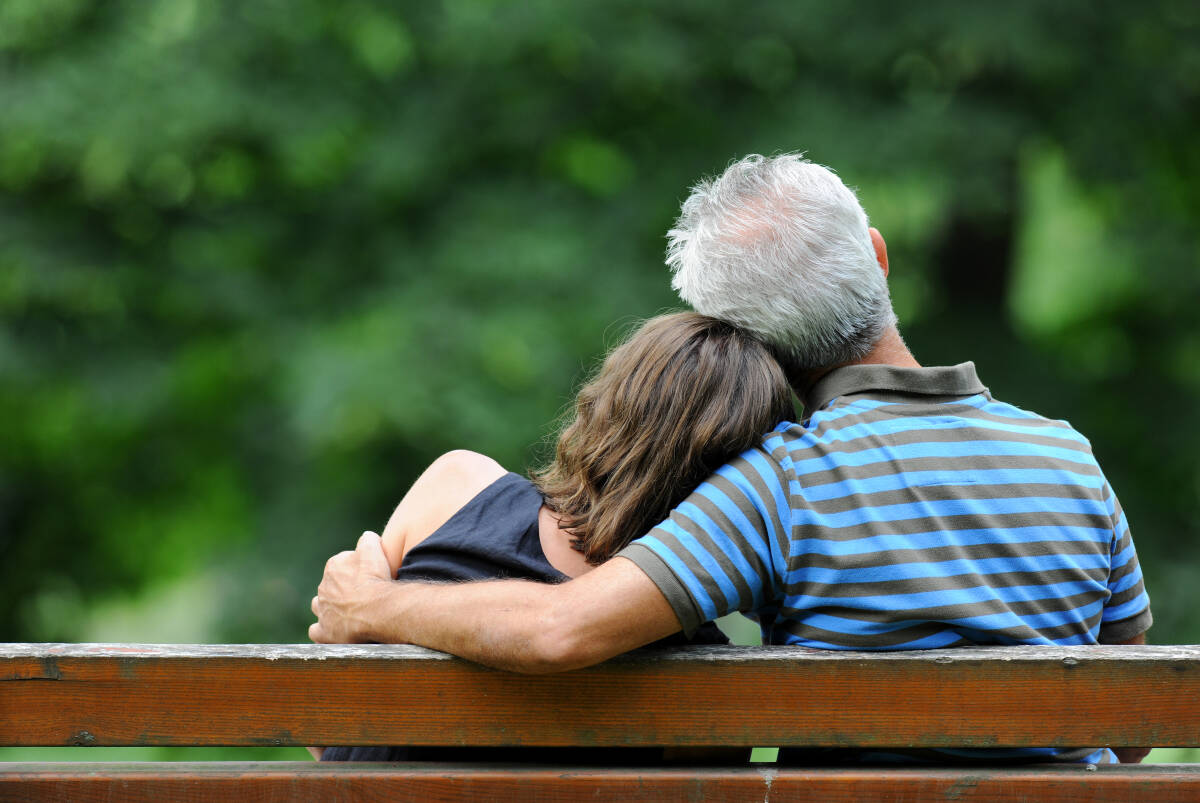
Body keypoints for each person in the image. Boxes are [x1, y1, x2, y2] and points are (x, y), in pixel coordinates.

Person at [311, 154, 1153, 765]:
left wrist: (374, 608)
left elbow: (561, 628)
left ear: (742, 340)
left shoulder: (781, 483)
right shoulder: (1070, 454)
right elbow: (1133, 724)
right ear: (878, 253)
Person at [316, 311, 793, 762]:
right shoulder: (709, 686)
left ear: (610, 403)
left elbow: (319, 724)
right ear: (738, 481)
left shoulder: (455, 488)